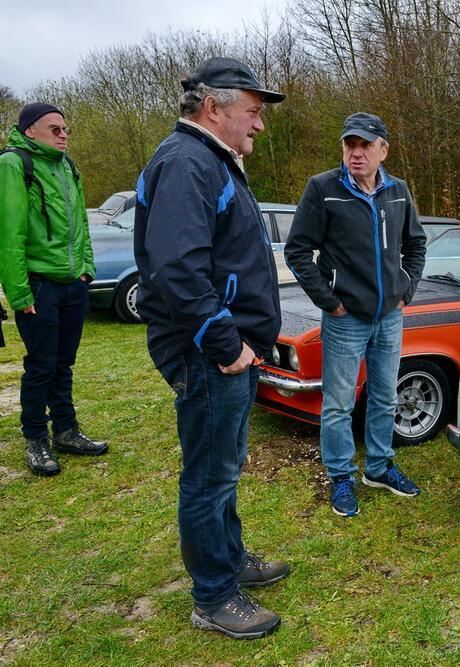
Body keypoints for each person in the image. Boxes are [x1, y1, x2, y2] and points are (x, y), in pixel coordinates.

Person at [133, 57, 289, 640]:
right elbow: (177, 269)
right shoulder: (187, 163)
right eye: (252, 111)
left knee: (224, 468)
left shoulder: (209, 160)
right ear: (212, 107)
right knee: (208, 477)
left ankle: (229, 558)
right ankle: (214, 596)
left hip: (227, 351)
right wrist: (226, 345)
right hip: (208, 354)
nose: (260, 124)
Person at [284, 112, 426, 518]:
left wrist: (405, 290)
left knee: (384, 396)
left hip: (389, 317)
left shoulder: (398, 191)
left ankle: (379, 467)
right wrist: (330, 301)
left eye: (365, 145)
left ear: (383, 150)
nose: (356, 152)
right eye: (350, 144)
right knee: (339, 403)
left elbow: (416, 245)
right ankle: (341, 477)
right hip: (345, 319)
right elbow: (297, 251)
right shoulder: (323, 189)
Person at [0, 103, 107, 476]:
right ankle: (35, 439)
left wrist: (86, 269)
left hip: (72, 284)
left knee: (63, 363)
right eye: (55, 129)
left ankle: (66, 430)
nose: (63, 135)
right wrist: (19, 292)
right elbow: (9, 233)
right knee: (41, 366)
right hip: (39, 284)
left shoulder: (67, 166)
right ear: (30, 130)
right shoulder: (14, 164)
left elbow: (81, 224)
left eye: (66, 129)